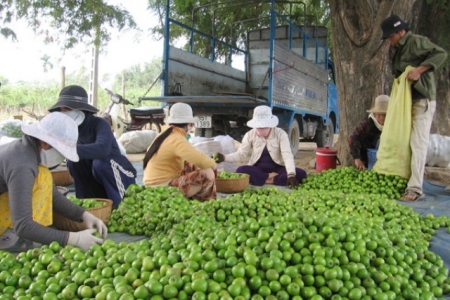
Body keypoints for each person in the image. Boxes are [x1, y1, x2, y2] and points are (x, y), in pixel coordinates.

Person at [0, 113, 107, 252]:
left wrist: (83, 215)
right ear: (44, 143)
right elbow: (23, 225)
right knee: (43, 175)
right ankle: (8, 238)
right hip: (18, 225)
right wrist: (73, 239)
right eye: (61, 152)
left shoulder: (27, 151)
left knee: (43, 175)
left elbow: (53, 196)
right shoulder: (23, 164)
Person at [380, 15, 447, 201]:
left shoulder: (416, 42)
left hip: (422, 100)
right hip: (407, 102)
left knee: (418, 143)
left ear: (401, 31)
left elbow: (441, 54)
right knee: (403, 141)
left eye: (391, 36)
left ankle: (415, 189)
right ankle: (404, 179)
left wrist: (419, 70)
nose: (389, 41)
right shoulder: (398, 48)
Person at [48, 85, 137, 209]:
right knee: (74, 161)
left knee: (100, 163)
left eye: (68, 109)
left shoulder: (99, 124)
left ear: (80, 109)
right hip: (97, 185)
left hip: (119, 176)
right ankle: (87, 204)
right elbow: (55, 157)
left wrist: (66, 149)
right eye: (62, 110)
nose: (64, 113)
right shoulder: (68, 130)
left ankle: (121, 206)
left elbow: (102, 149)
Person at [214, 105, 306, 188]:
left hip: (278, 169)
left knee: (301, 173)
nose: (260, 129)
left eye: (263, 127)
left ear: (270, 125)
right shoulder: (250, 134)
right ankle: (269, 178)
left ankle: (264, 180)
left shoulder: (280, 134)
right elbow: (241, 154)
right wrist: (224, 157)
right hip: (258, 169)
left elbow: (287, 154)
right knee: (241, 170)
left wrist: (290, 175)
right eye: (258, 127)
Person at [143, 102, 217, 200]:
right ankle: (206, 202)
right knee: (208, 173)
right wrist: (214, 166)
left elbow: (193, 157)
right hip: (161, 187)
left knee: (190, 164)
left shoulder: (166, 132)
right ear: (189, 124)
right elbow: (201, 160)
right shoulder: (176, 138)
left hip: (152, 183)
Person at [348, 95, 390, 170]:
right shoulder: (367, 124)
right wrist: (357, 158)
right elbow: (353, 138)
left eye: (385, 114)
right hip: (367, 162)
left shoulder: (391, 126)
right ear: (375, 114)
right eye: (379, 114)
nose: (382, 117)